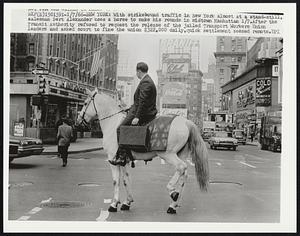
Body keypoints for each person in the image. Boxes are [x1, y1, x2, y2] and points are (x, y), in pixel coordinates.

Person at [109, 62, 158, 166]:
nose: (136, 74)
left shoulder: (146, 82)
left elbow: (142, 102)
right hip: (138, 110)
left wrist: (136, 117)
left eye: (136, 72)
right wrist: (129, 109)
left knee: (120, 129)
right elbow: (138, 102)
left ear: (139, 71)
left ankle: (122, 156)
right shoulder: (147, 81)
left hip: (143, 113)